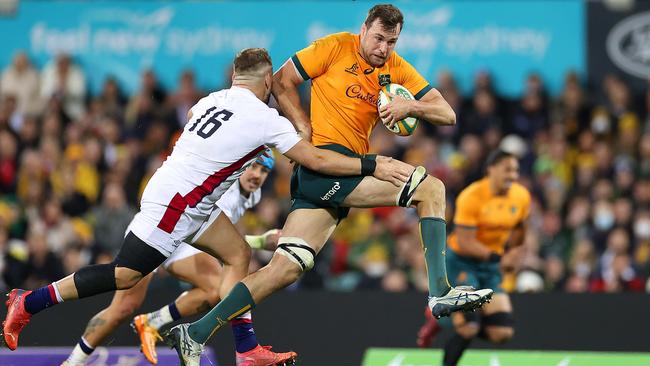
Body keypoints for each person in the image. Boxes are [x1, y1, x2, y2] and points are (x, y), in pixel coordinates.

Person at [2, 48, 411, 354]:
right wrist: (372, 163)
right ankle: (30, 302)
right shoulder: (264, 117)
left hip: (189, 197)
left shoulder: (209, 100)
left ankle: (247, 350)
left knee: (237, 255)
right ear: (267, 81)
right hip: (178, 203)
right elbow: (315, 159)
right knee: (125, 276)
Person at [164, 5, 493, 365]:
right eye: (379, 38)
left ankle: (194, 332)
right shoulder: (334, 47)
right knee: (431, 189)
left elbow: (447, 113)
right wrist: (302, 128)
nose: (384, 48)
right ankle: (439, 292)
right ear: (364, 29)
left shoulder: (396, 68)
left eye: (392, 42)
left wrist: (409, 107)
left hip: (340, 175)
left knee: (285, 268)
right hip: (326, 165)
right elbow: (281, 79)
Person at [62, 154, 297, 366]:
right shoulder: (227, 188)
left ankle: (153, 321)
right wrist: (258, 241)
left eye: (264, 171)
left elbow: (221, 237)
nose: (256, 175)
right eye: (253, 167)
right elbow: (215, 237)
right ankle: (74, 362)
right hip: (160, 231)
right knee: (122, 309)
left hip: (182, 240)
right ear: (243, 166)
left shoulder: (253, 195)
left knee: (217, 290)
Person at [416, 150, 531, 366]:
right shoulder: (472, 196)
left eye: (516, 170)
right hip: (460, 261)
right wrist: (499, 259)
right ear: (491, 170)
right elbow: (466, 242)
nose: (513, 175)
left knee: (502, 332)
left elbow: (519, 231)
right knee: (469, 328)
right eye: (507, 170)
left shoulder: (521, 196)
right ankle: (451, 320)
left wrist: (516, 254)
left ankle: (444, 320)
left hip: (490, 267)